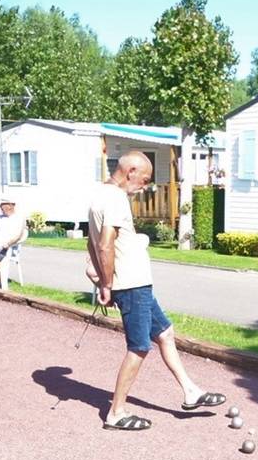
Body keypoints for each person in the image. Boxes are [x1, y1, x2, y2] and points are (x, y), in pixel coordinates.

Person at [87, 151, 226, 431]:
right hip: (131, 284)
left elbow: (93, 244)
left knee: (164, 333)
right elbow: (104, 244)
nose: (145, 185)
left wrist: (101, 277)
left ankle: (190, 392)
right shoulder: (114, 198)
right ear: (130, 171)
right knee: (139, 347)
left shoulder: (99, 195)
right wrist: (106, 283)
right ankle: (116, 413)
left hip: (134, 282)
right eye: (144, 179)